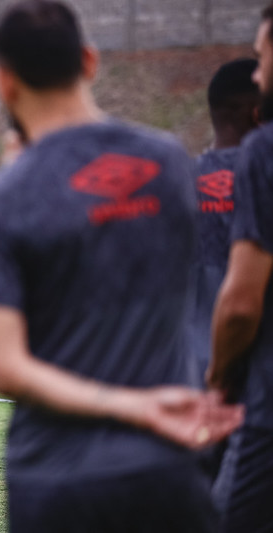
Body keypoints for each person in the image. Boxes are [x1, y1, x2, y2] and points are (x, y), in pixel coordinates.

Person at [0, 2, 244, 532]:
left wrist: (130, 406)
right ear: (90, 61)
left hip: (53, 478)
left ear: (4, 82)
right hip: (167, 465)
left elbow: (5, 367)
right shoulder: (166, 162)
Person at [208, 5, 273, 531]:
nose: (259, 70)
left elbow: (241, 302)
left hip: (250, 391)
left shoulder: (262, 153)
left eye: (263, 54)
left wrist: (217, 375)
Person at [188, 58, 259, 381]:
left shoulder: (175, 184)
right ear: (255, 111)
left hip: (190, 379)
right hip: (256, 378)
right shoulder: (263, 182)